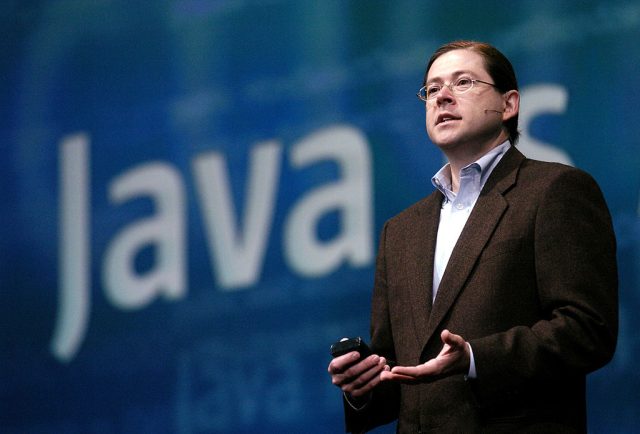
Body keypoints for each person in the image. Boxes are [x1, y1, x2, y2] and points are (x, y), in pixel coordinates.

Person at [327, 40, 618, 433]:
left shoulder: (554, 190)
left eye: (462, 82)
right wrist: (362, 386)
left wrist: (476, 358)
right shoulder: (400, 231)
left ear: (508, 104)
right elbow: (398, 370)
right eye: (431, 89)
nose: (442, 96)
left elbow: (587, 329)